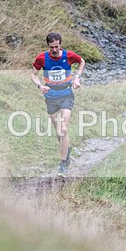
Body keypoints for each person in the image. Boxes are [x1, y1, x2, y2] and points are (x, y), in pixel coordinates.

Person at [30, 32, 85, 176]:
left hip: (66, 94)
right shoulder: (42, 58)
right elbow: (33, 75)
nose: (54, 50)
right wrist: (40, 86)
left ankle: (63, 163)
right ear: (48, 46)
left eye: (57, 46)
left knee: (64, 128)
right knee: (59, 132)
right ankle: (66, 151)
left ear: (61, 44)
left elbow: (82, 61)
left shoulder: (68, 55)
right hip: (51, 97)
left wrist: (77, 78)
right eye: (51, 47)